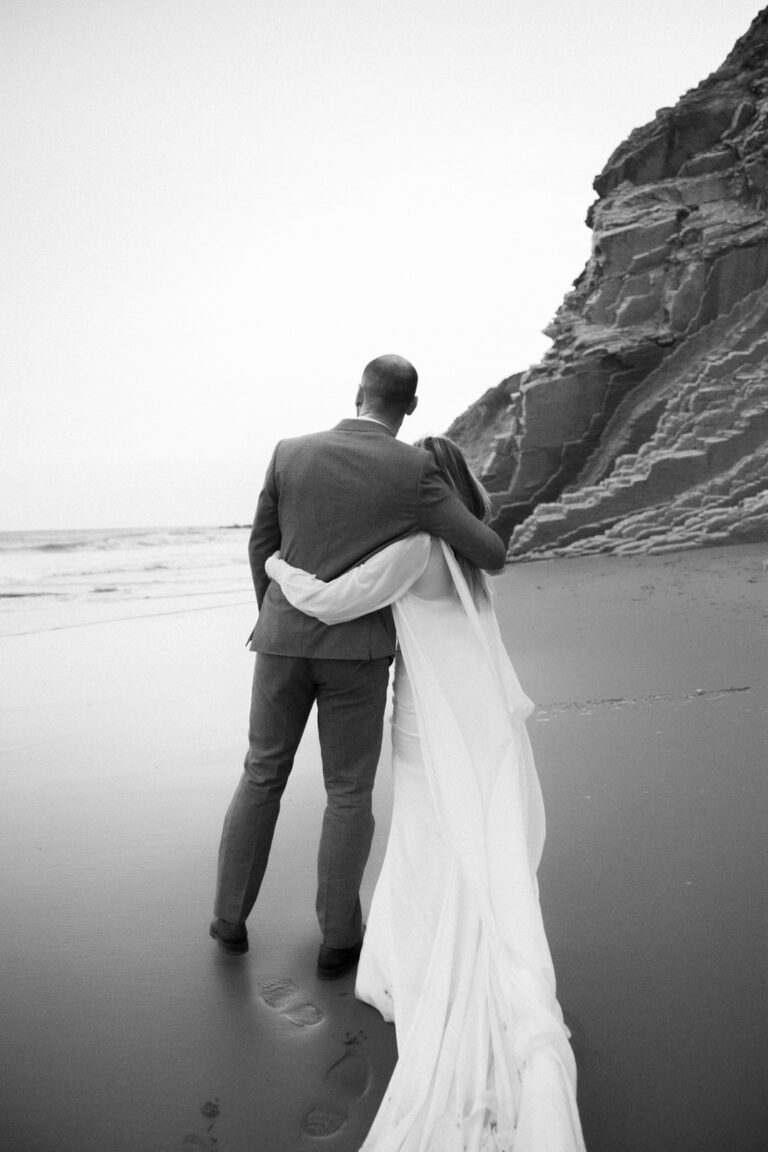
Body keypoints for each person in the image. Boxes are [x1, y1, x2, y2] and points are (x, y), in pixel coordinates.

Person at [265, 435, 587, 1151]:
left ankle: (421, 958)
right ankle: (482, 950)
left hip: (431, 719)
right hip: (488, 717)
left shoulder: (413, 549)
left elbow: (336, 598)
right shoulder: (473, 553)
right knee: (484, 839)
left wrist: (275, 562)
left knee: (428, 836)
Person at [210, 356, 506, 979]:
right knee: (348, 793)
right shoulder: (414, 469)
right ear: (413, 406)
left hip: (281, 642)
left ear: (357, 394)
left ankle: (229, 923)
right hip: (359, 655)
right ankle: (338, 940)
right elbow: (490, 552)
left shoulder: (289, 452)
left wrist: (279, 622)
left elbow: (260, 547)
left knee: (262, 774)